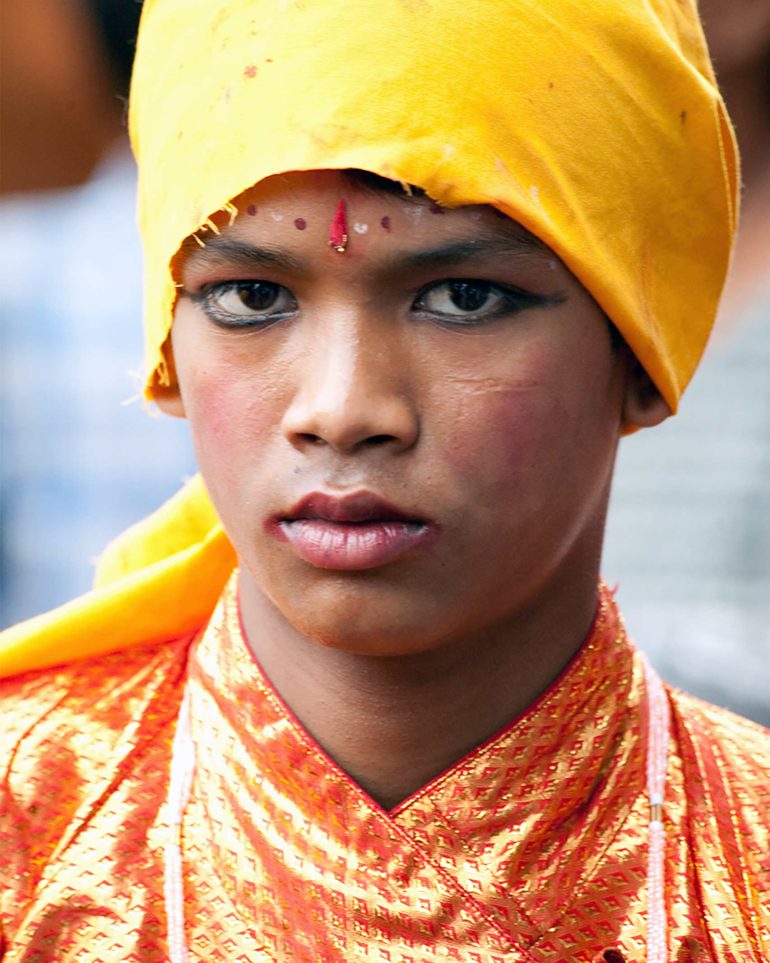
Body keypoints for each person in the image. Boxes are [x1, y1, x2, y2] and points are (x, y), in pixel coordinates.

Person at [1, 1, 768, 960]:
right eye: (250, 297)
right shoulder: (26, 840)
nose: (342, 405)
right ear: (166, 347)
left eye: (463, 296)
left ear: (646, 350)